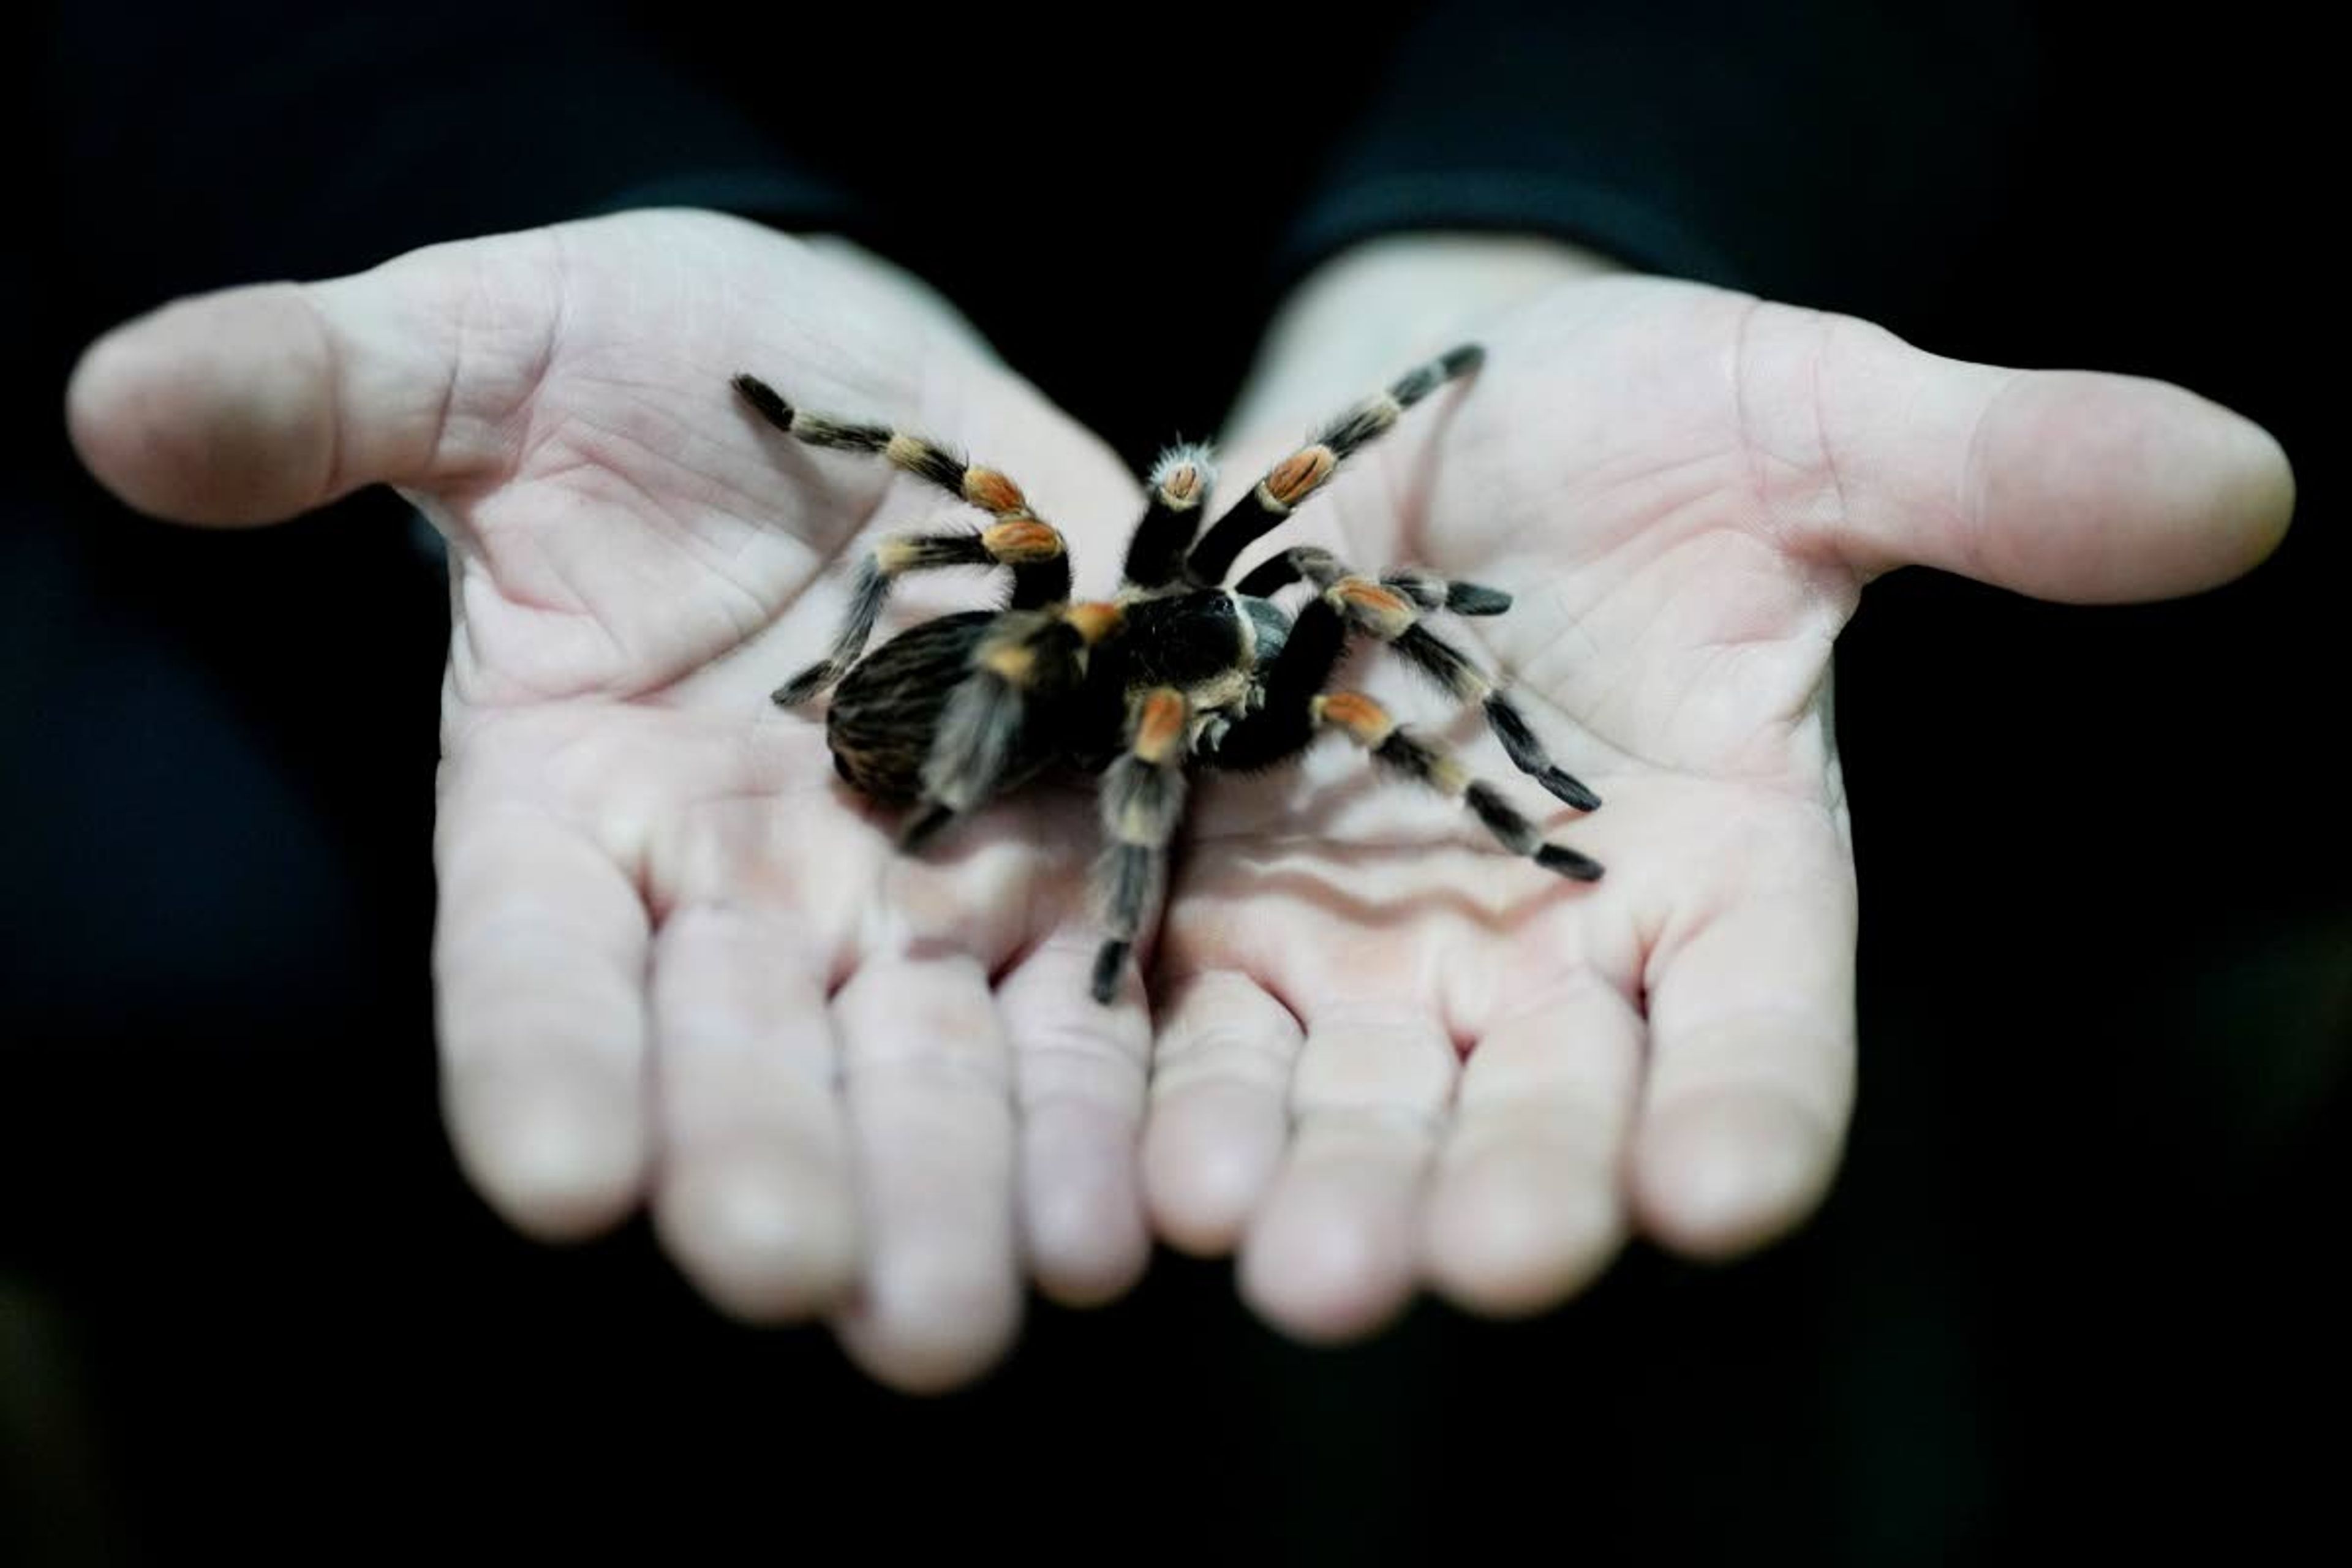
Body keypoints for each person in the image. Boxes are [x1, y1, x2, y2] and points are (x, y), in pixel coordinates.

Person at [45, 2, 2297, 1406]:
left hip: (1052, 632)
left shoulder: (1216, 620)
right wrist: (1048, 848)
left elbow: (1288, 562)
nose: (1292, 637)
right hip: (951, 708)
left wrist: (1499, 283)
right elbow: (983, 537)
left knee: (1234, 592)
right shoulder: (1126, 661)